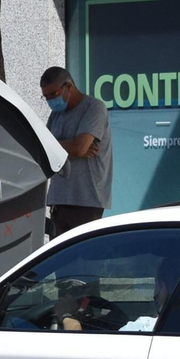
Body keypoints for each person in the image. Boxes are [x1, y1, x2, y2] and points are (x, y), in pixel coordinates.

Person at [40, 66, 112, 236]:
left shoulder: (94, 108)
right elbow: (42, 147)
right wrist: (71, 148)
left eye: (54, 94)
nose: (50, 100)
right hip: (59, 200)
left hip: (86, 201)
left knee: (85, 258)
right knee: (59, 259)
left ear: (69, 86)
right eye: (46, 96)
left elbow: (79, 148)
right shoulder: (56, 115)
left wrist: (62, 148)